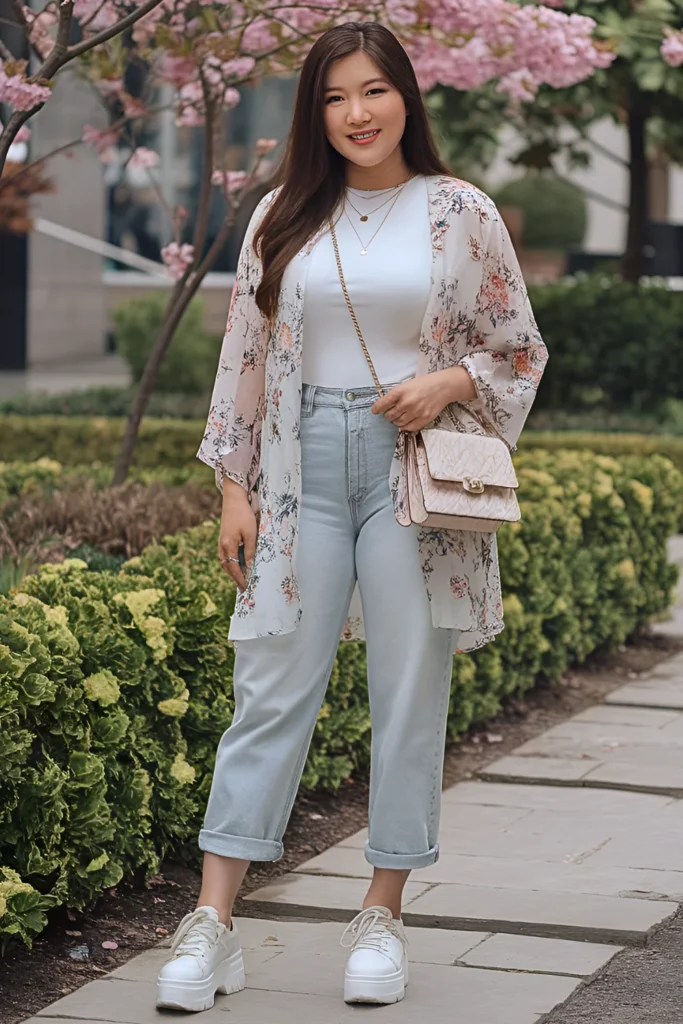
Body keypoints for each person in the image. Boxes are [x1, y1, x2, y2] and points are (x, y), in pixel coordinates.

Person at [156, 20, 548, 1014]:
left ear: (406, 96)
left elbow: (516, 350)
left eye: (372, 91)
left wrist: (444, 380)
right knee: (270, 685)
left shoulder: (456, 210)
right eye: (333, 98)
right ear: (312, 113)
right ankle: (213, 924)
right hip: (295, 470)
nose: (354, 114)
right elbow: (242, 359)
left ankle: (381, 912)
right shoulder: (284, 211)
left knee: (408, 689)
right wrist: (232, 487)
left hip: (407, 472)